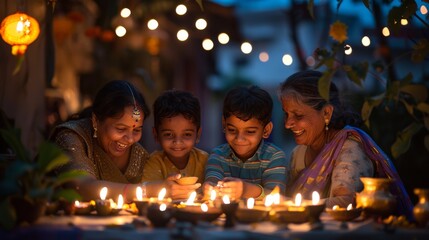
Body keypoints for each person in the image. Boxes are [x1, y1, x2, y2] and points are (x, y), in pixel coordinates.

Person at [278, 70, 413, 218]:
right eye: (286, 114)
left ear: (326, 113)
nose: (287, 124)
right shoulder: (298, 153)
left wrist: (287, 205)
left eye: (298, 115)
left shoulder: (350, 148)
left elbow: (346, 203)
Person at [51, 80, 189, 201]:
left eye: (136, 130)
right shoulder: (71, 137)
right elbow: (81, 187)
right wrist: (146, 190)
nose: (130, 139)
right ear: (95, 120)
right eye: (121, 129)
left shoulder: (139, 156)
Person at [203, 85, 288, 200]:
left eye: (250, 132)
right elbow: (212, 180)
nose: (239, 139)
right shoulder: (218, 155)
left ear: (266, 130)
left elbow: (277, 196)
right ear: (224, 124)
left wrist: (246, 190)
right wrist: (210, 188)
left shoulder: (274, 157)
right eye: (232, 130)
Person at [141, 90, 207, 199]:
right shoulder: (154, 162)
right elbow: (148, 196)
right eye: (168, 134)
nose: (177, 142)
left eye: (186, 134)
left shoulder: (206, 161)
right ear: (156, 135)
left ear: (198, 135)